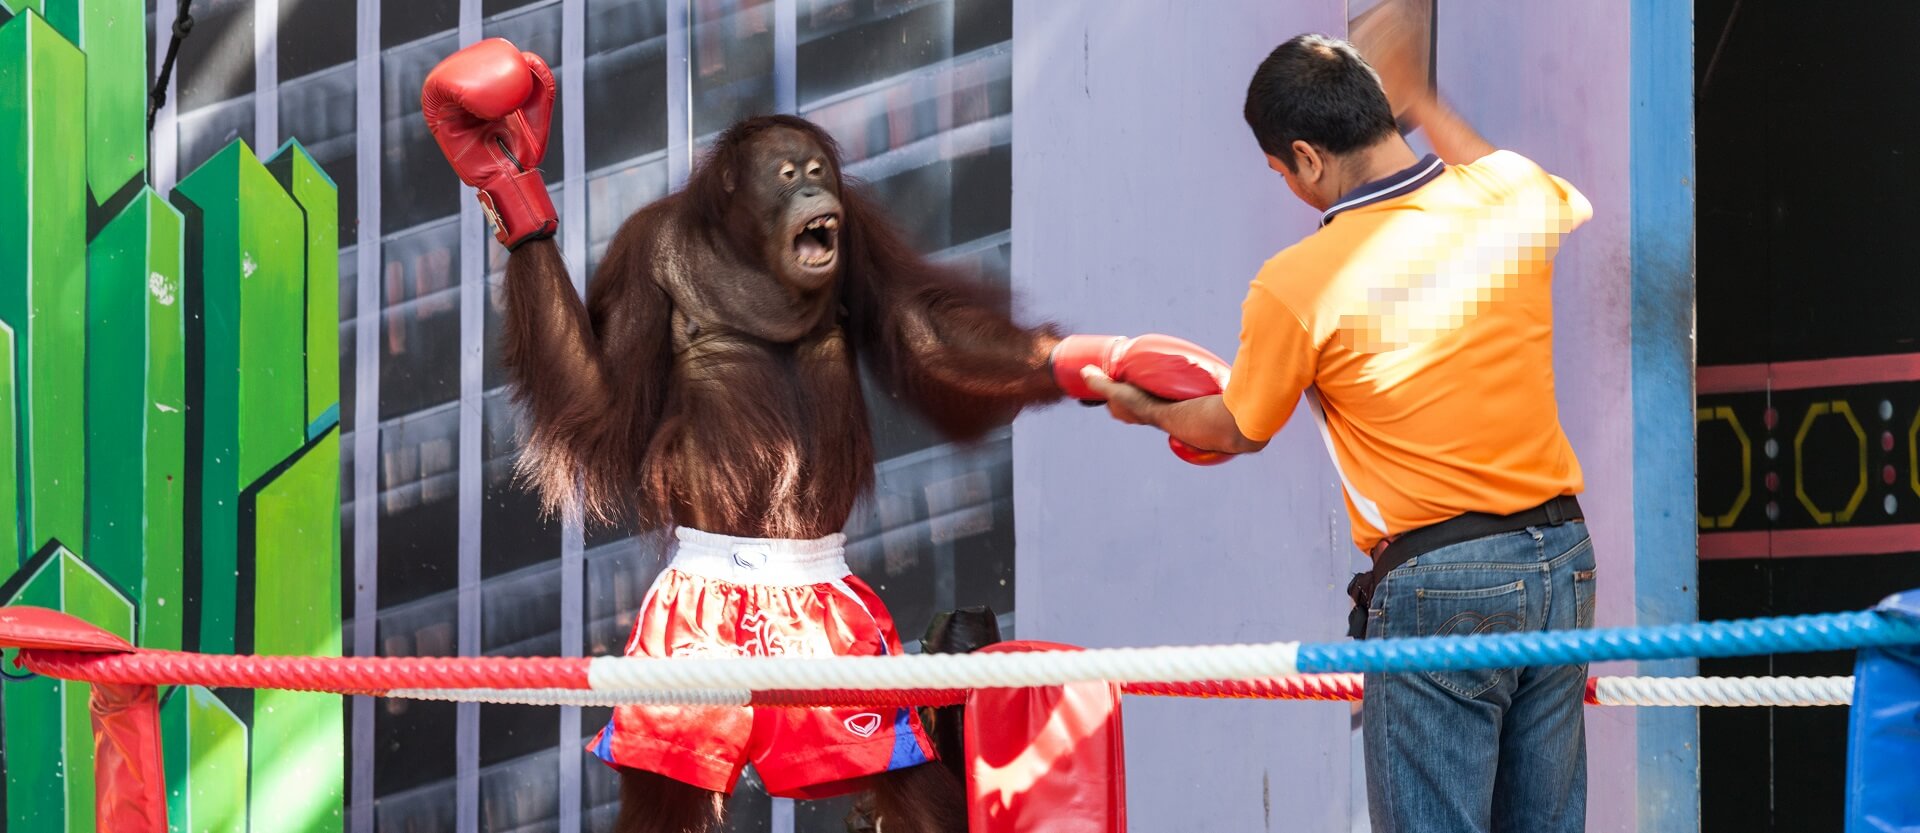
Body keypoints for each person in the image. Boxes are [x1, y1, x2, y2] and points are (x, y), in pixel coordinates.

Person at [1079, 30, 1598, 833]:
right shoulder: (1511, 192)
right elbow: (1517, 184)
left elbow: (1236, 428)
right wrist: (1423, 100)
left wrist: (1146, 408)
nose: (1289, 185)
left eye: (1282, 172)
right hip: (1562, 560)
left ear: (1305, 159)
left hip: (1441, 582)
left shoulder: (1299, 284)